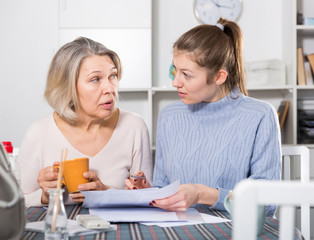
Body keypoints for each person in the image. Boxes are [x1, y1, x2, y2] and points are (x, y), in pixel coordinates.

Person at [125, 18, 281, 217]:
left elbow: (266, 204)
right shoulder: (169, 116)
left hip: (236, 230)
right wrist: (150, 192)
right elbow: (164, 187)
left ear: (219, 77)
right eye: (175, 70)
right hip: (178, 230)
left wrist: (202, 194)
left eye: (187, 75)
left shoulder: (260, 116)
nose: (175, 82)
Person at [18, 37, 153, 207]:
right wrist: (45, 196)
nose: (110, 88)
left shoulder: (134, 126)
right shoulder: (38, 133)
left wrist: (107, 194)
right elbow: (19, 202)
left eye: (113, 76)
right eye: (95, 79)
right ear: (67, 87)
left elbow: (146, 197)